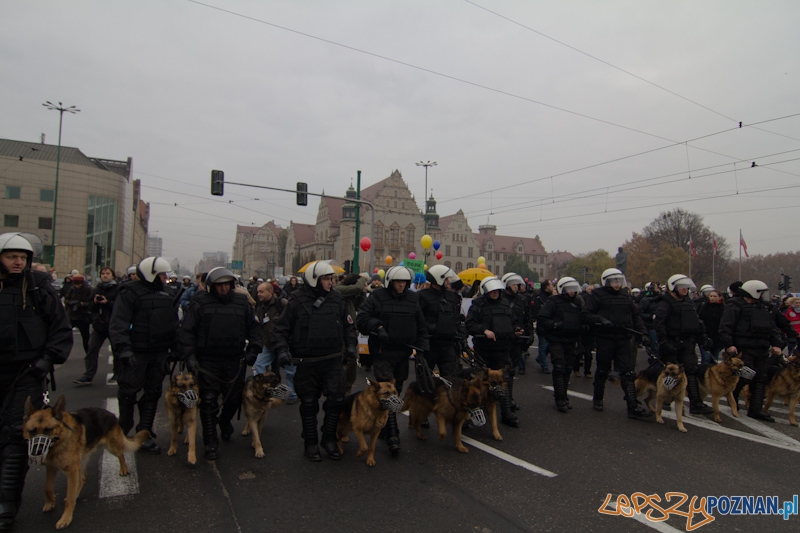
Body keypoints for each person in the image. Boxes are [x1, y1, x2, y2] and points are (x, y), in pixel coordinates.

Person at [0, 233, 72, 531]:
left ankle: (6, 506)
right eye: (11, 257)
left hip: (27, 374)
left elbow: (60, 329)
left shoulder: (40, 288)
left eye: (23, 257)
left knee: (17, 437)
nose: (18, 262)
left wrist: (45, 361)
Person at [272, 261, 356, 461]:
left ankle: (329, 439)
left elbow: (348, 326)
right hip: (307, 361)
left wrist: (351, 346)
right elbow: (281, 329)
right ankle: (310, 443)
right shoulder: (296, 301)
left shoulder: (337, 299)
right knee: (309, 403)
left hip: (333, 360)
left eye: (331, 278)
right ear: (314, 280)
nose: (331, 282)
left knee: (336, 400)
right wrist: (282, 350)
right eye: (326, 279)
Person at [180, 267, 262, 460]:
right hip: (208, 361)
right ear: (211, 286)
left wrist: (253, 350)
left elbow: (254, 329)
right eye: (219, 285)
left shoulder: (242, 302)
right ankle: (210, 442)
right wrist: (189, 355)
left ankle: (225, 422)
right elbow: (187, 331)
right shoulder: (199, 302)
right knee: (208, 402)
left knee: (233, 399)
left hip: (234, 360)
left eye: (227, 284)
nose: (224, 288)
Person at [109, 256, 179, 455]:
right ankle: (123, 429)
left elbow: (173, 323)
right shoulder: (129, 292)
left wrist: (176, 347)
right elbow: (118, 324)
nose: (166, 278)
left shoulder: (167, 293)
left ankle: (145, 433)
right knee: (128, 391)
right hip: (136, 352)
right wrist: (124, 349)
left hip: (158, 353)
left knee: (153, 392)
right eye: (162, 274)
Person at [357, 265, 429, 455]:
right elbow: (362, 317)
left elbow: (420, 325)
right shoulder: (378, 297)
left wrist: (422, 348)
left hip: (403, 353)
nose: (401, 285)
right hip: (382, 352)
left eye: (404, 282)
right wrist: (377, 326)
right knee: (387, 390)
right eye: (398, 281)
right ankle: (393, 434)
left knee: (396, 391)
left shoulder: (413, 299)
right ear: (390, 281)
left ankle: (384, 428)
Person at [582, 268, 651, 419]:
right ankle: (598, 398)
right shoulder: (597, 296)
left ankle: (633, 406)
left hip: (624, 338)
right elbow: (586, 313)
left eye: (619, 280)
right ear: (606, 282)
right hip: (605, 338)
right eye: (614, 281)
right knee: (602, 370)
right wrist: (600, 320)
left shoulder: (626, 297)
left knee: (628, 373)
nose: (617, 284)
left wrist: (644, 333)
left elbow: (636, 316)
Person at [721, 280, 786, 422]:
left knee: (761, 378)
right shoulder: (735, 306)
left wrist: (777, 345)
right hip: (744, 348)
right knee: (745, 376)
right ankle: (733, 400)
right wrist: (729, 344)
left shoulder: (763, 308)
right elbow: (726, 327)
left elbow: (771, 329)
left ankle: (756, 409)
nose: (763, 296)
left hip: (762, 348)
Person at [653, 275, 714, 415]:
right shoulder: (665, 303)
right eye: (681, 286)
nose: (685, 289)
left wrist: (704, 338)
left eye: (686, 286)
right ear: (673, 287)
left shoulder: (689, 303)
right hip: (671, 342)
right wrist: (664, 342)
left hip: (686, 342)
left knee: (691, 371)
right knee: (670, 373)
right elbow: (659, 325)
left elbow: (697, 322)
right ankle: (665, 400)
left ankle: (696, 403)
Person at [466, 276, 522, 428]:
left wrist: (516, 329)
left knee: (505, 380)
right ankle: (473, 412)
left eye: (497, 290)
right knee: (479, 381)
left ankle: (507, 412)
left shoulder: (505, 304)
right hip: (483, 349)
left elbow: (514, 320)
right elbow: (470, 324)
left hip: (502, 349)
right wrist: (483, 330)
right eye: (492, 290)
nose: (495, 293)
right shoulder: (478, 304)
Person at [537, 277, 584, 412]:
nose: (571, 292)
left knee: (568, 368)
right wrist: (556, 325)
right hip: (556, 339)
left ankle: (564, 396)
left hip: (571, 339)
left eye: (573, 289)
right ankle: (559, 399)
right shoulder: (553, 302)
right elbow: (542, 319)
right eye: (569, 289)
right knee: (559, 366)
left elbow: (583, 318)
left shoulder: (578, 303)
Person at [74, 267, 120, 386]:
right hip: (99, 324)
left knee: (117, 351)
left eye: (108, 273)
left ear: (112, 276)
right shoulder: (97, 289)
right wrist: (94, 303)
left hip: (113, 325)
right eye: (103, 274)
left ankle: (118, 373)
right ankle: (88, 375)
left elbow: (120, 307)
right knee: (91, 350)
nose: (105, 276)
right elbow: (91, 307)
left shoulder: (117, 289)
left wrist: (107, 302)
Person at [254, 281, 297, 403]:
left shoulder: (282, 304)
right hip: (268, 344)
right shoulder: (260, 306)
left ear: (270, 292)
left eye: (261, 292)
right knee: (259, 365)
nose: (259, 294)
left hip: (284, 343)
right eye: (258, 292)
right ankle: (264, 389)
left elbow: (292, 321)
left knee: (289, 371)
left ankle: (292, 394)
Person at [418, 266, 462, 380]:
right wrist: (432, 328)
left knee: (451, 380)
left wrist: (461, 334)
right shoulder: (422, 296)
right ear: (439, 279)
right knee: (425, 380)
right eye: (446, 279)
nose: (449, 282)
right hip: (430, 345)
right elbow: (418, 320)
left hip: (448, 345)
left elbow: (455, 318)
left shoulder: (451, 296)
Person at [333, 273, 368, 394]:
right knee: (339, 359)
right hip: (340, 331)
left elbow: (359, 305)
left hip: (351, 330)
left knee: (352, 360)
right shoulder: (339, 289)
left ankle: (348, 386)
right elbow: (357, 287)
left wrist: (363, 293)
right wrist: (363, 278)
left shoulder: (349, 297)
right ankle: (337, 386)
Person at [501, 272, 531, 410]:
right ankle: (501, 397)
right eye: (513, 284)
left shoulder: (523, 300)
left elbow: (528, 319)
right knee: (502, 371)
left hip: (518, 340)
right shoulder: (501, 299)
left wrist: (529, 335)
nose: (516, 287)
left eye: (517, 284)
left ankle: (509, 397)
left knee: (512, 370)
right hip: (505, 338)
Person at [64, 274, 93, 356]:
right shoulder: (72, 289)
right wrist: (70, 303)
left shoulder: (88, 289)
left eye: (78, 284)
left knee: (85, 337)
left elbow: (92, 303)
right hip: (72, 315)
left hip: (83, 316)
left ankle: (89, 354)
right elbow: (66, 298)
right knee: (65, 334)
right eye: (75, 284)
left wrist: (81, 304)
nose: (76, 286)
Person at [697, 290, 725, 364]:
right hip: (704, 337)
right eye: (711, 296)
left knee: (714, 360)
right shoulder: (704, 307)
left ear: (720, 297)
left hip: (717, 339)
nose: (712, 298)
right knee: (706, 358)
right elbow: (700, 321)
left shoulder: (723, 309)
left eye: (715, 296)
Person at [532, 279, 554, 373]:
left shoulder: (551, 297)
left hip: (550, 324)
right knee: (543, 345)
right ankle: (544, 366)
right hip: (542, 324)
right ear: (546, 287)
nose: (552, 286)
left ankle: (540, 358)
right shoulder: (539, 297)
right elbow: (537, 311)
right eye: (551, 285)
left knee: (550, 345)